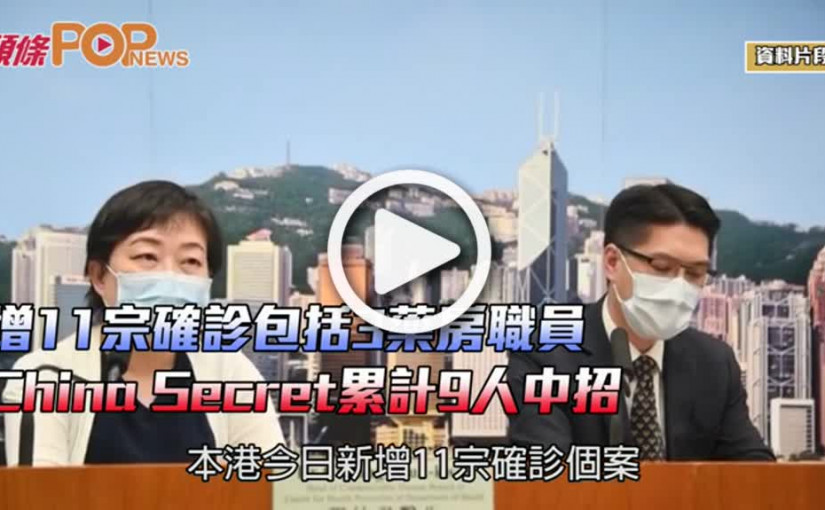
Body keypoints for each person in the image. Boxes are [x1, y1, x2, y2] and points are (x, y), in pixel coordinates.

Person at [3, 180, 285, 466]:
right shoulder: (45, 377)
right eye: (147, 256)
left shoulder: (231, 373)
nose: (170, 276)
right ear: (99, 276)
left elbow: (271, 480)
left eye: (190, 261)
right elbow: (40, 490)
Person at [507, 183, 774, 461]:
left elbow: (755, 471)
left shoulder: (715, 363)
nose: (679, 286)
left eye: (695, 273)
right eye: (661, 267)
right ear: (612, 262)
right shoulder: (544, 351)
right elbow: (548, 473)